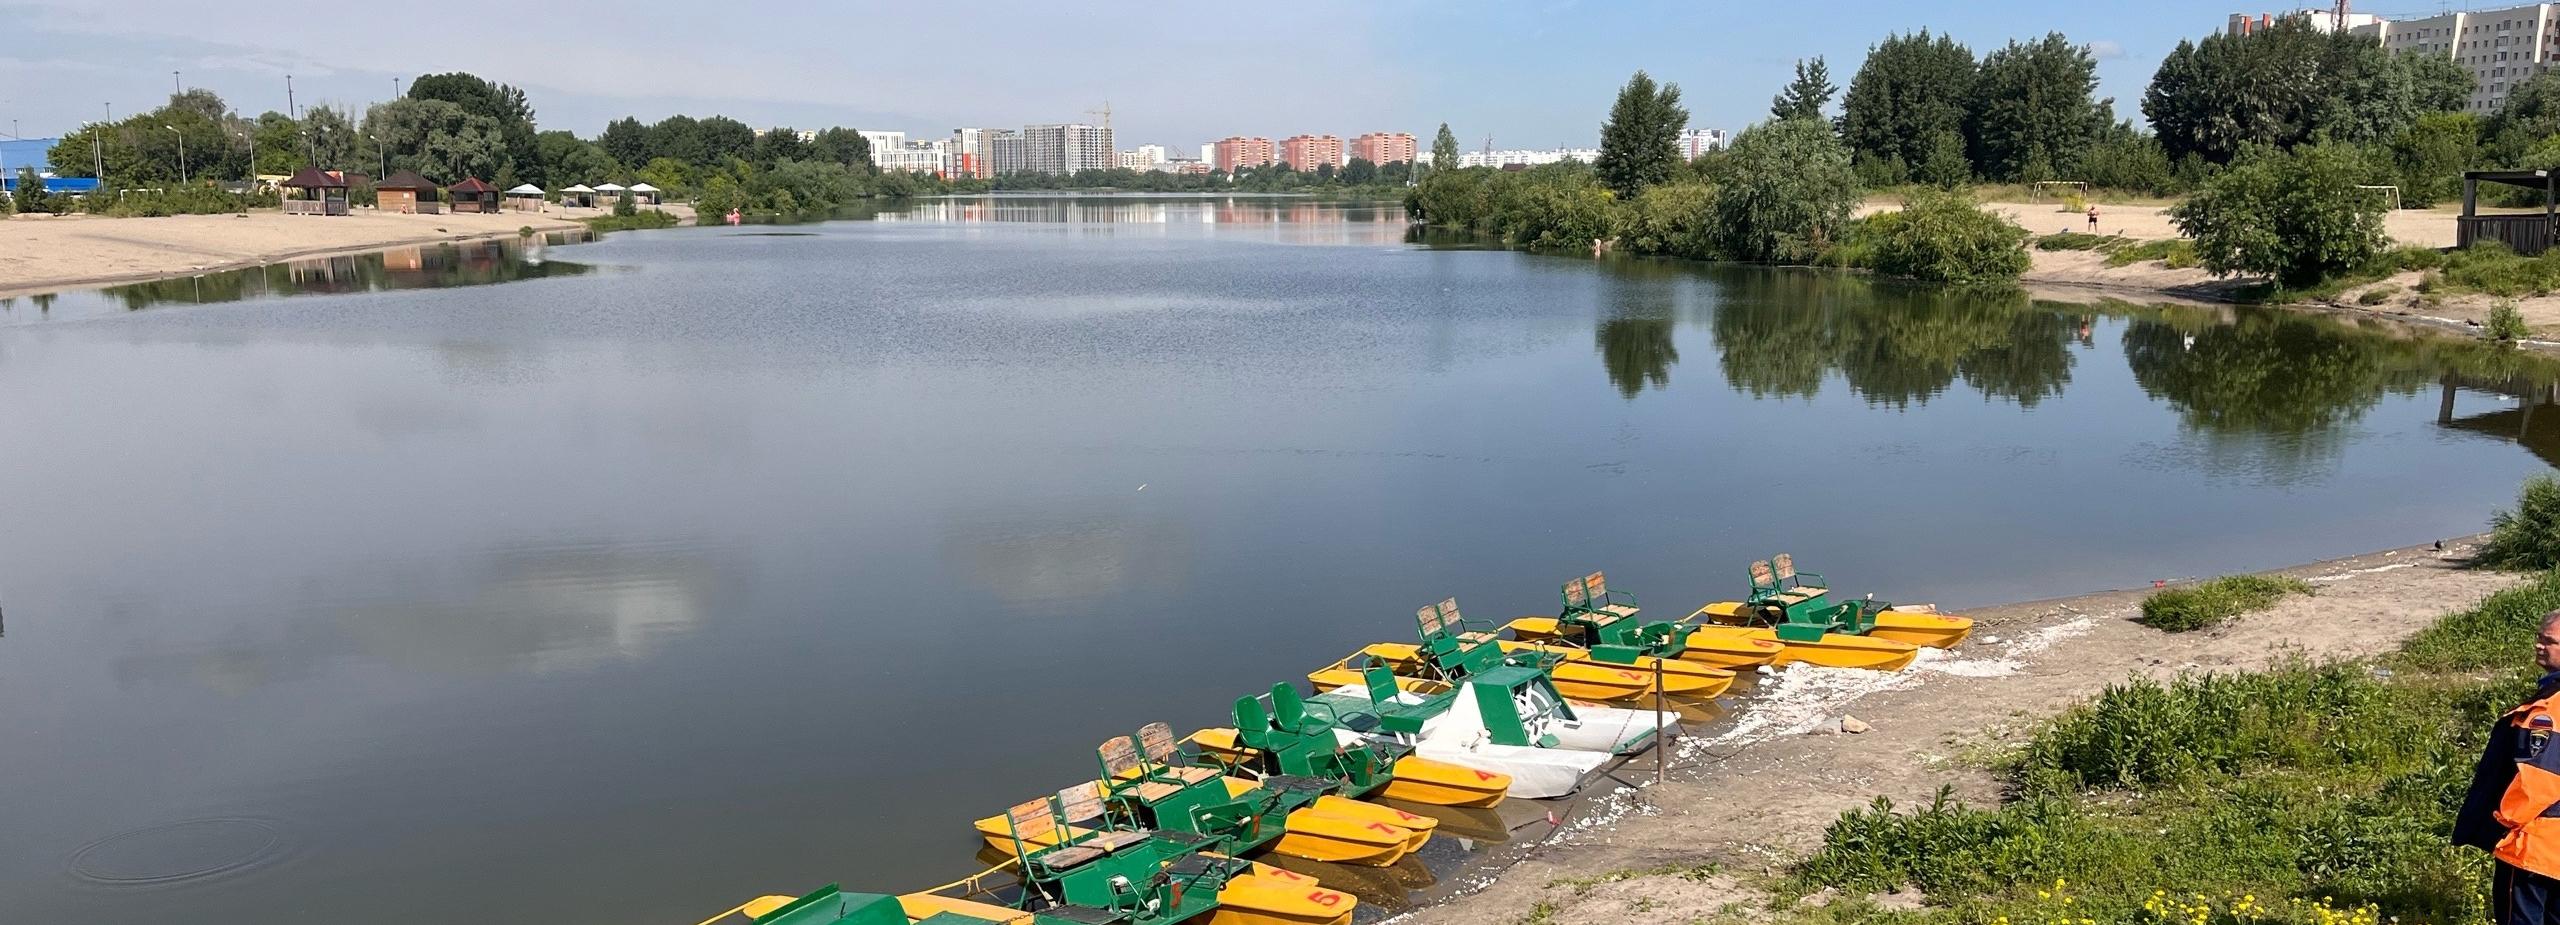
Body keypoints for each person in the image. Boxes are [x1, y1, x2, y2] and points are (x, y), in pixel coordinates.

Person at [2456, 608, 2560, 924]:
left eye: (2549, 641)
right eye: (2539, 638)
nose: (2539, 645)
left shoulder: (2548, 710)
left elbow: (2539, 778)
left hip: (2532, 846)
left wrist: (2501, 825)